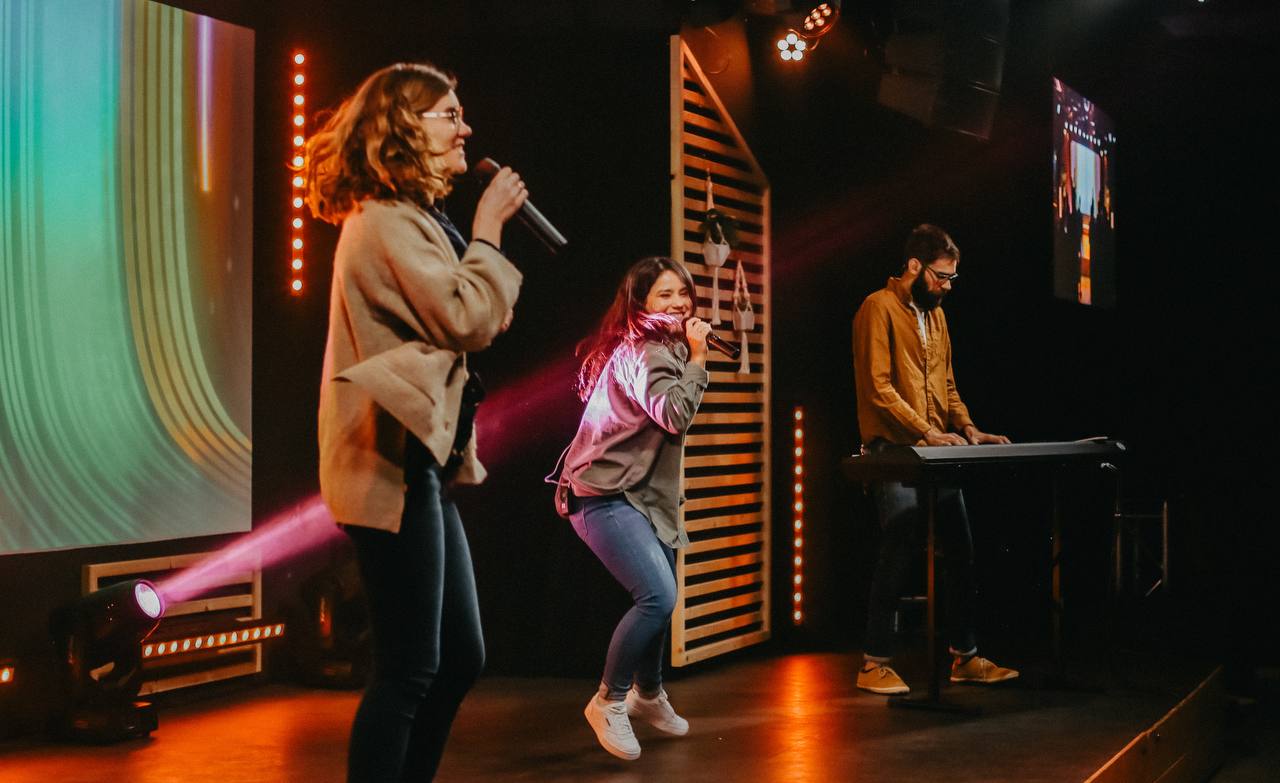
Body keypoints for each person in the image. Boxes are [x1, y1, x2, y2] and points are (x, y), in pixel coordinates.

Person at [305, 62, 527, 782]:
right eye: (449, 114)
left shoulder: (416, 218)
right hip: (386, 460)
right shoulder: (383, 221)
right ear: (406, 126)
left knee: (458, 655)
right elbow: (466, 314)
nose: (466, 127)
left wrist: (479, 248)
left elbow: (479, 311)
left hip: (417, 463)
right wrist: (490, 228)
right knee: (408, 667)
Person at [552, 257, 712, 760]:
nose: (679, 304)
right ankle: (610, 700)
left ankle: (648, 693)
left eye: (683, 294)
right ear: (640, 303)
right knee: (658, 598)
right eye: (664, 295)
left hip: (638, 495)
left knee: (662, 598)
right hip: (602, 496)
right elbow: (674, 414)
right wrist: (700, 358)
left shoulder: (657, 347)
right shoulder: (648, 352)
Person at [851, 224, 1018, 695]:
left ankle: (964, 656)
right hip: (894, 451)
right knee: (900, 541)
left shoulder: (936, 316)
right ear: (914, 267)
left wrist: (968, 428)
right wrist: (926, 432)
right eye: (942, 277)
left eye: (952, 278)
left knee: (961, 547)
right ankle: (873, 662)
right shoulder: (877, 308)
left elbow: (945, 385)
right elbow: (879, 388)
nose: (947, 286)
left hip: (935, 448)